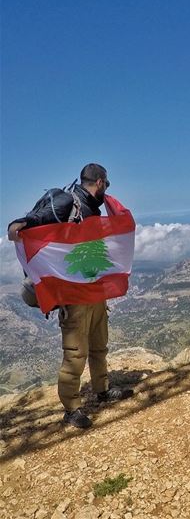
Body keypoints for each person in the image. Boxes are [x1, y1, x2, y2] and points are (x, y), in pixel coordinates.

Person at [7, 163, 134, 429]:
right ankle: (72, 408)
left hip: (94, 290)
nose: (107, 190)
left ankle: (102, 391)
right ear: (99, 182)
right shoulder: (67, 200)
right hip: (74, 296)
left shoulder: (92, 207)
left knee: (100, 346)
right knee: (75, 353)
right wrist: (20, 224)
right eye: (106, 185)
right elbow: (39, 218)